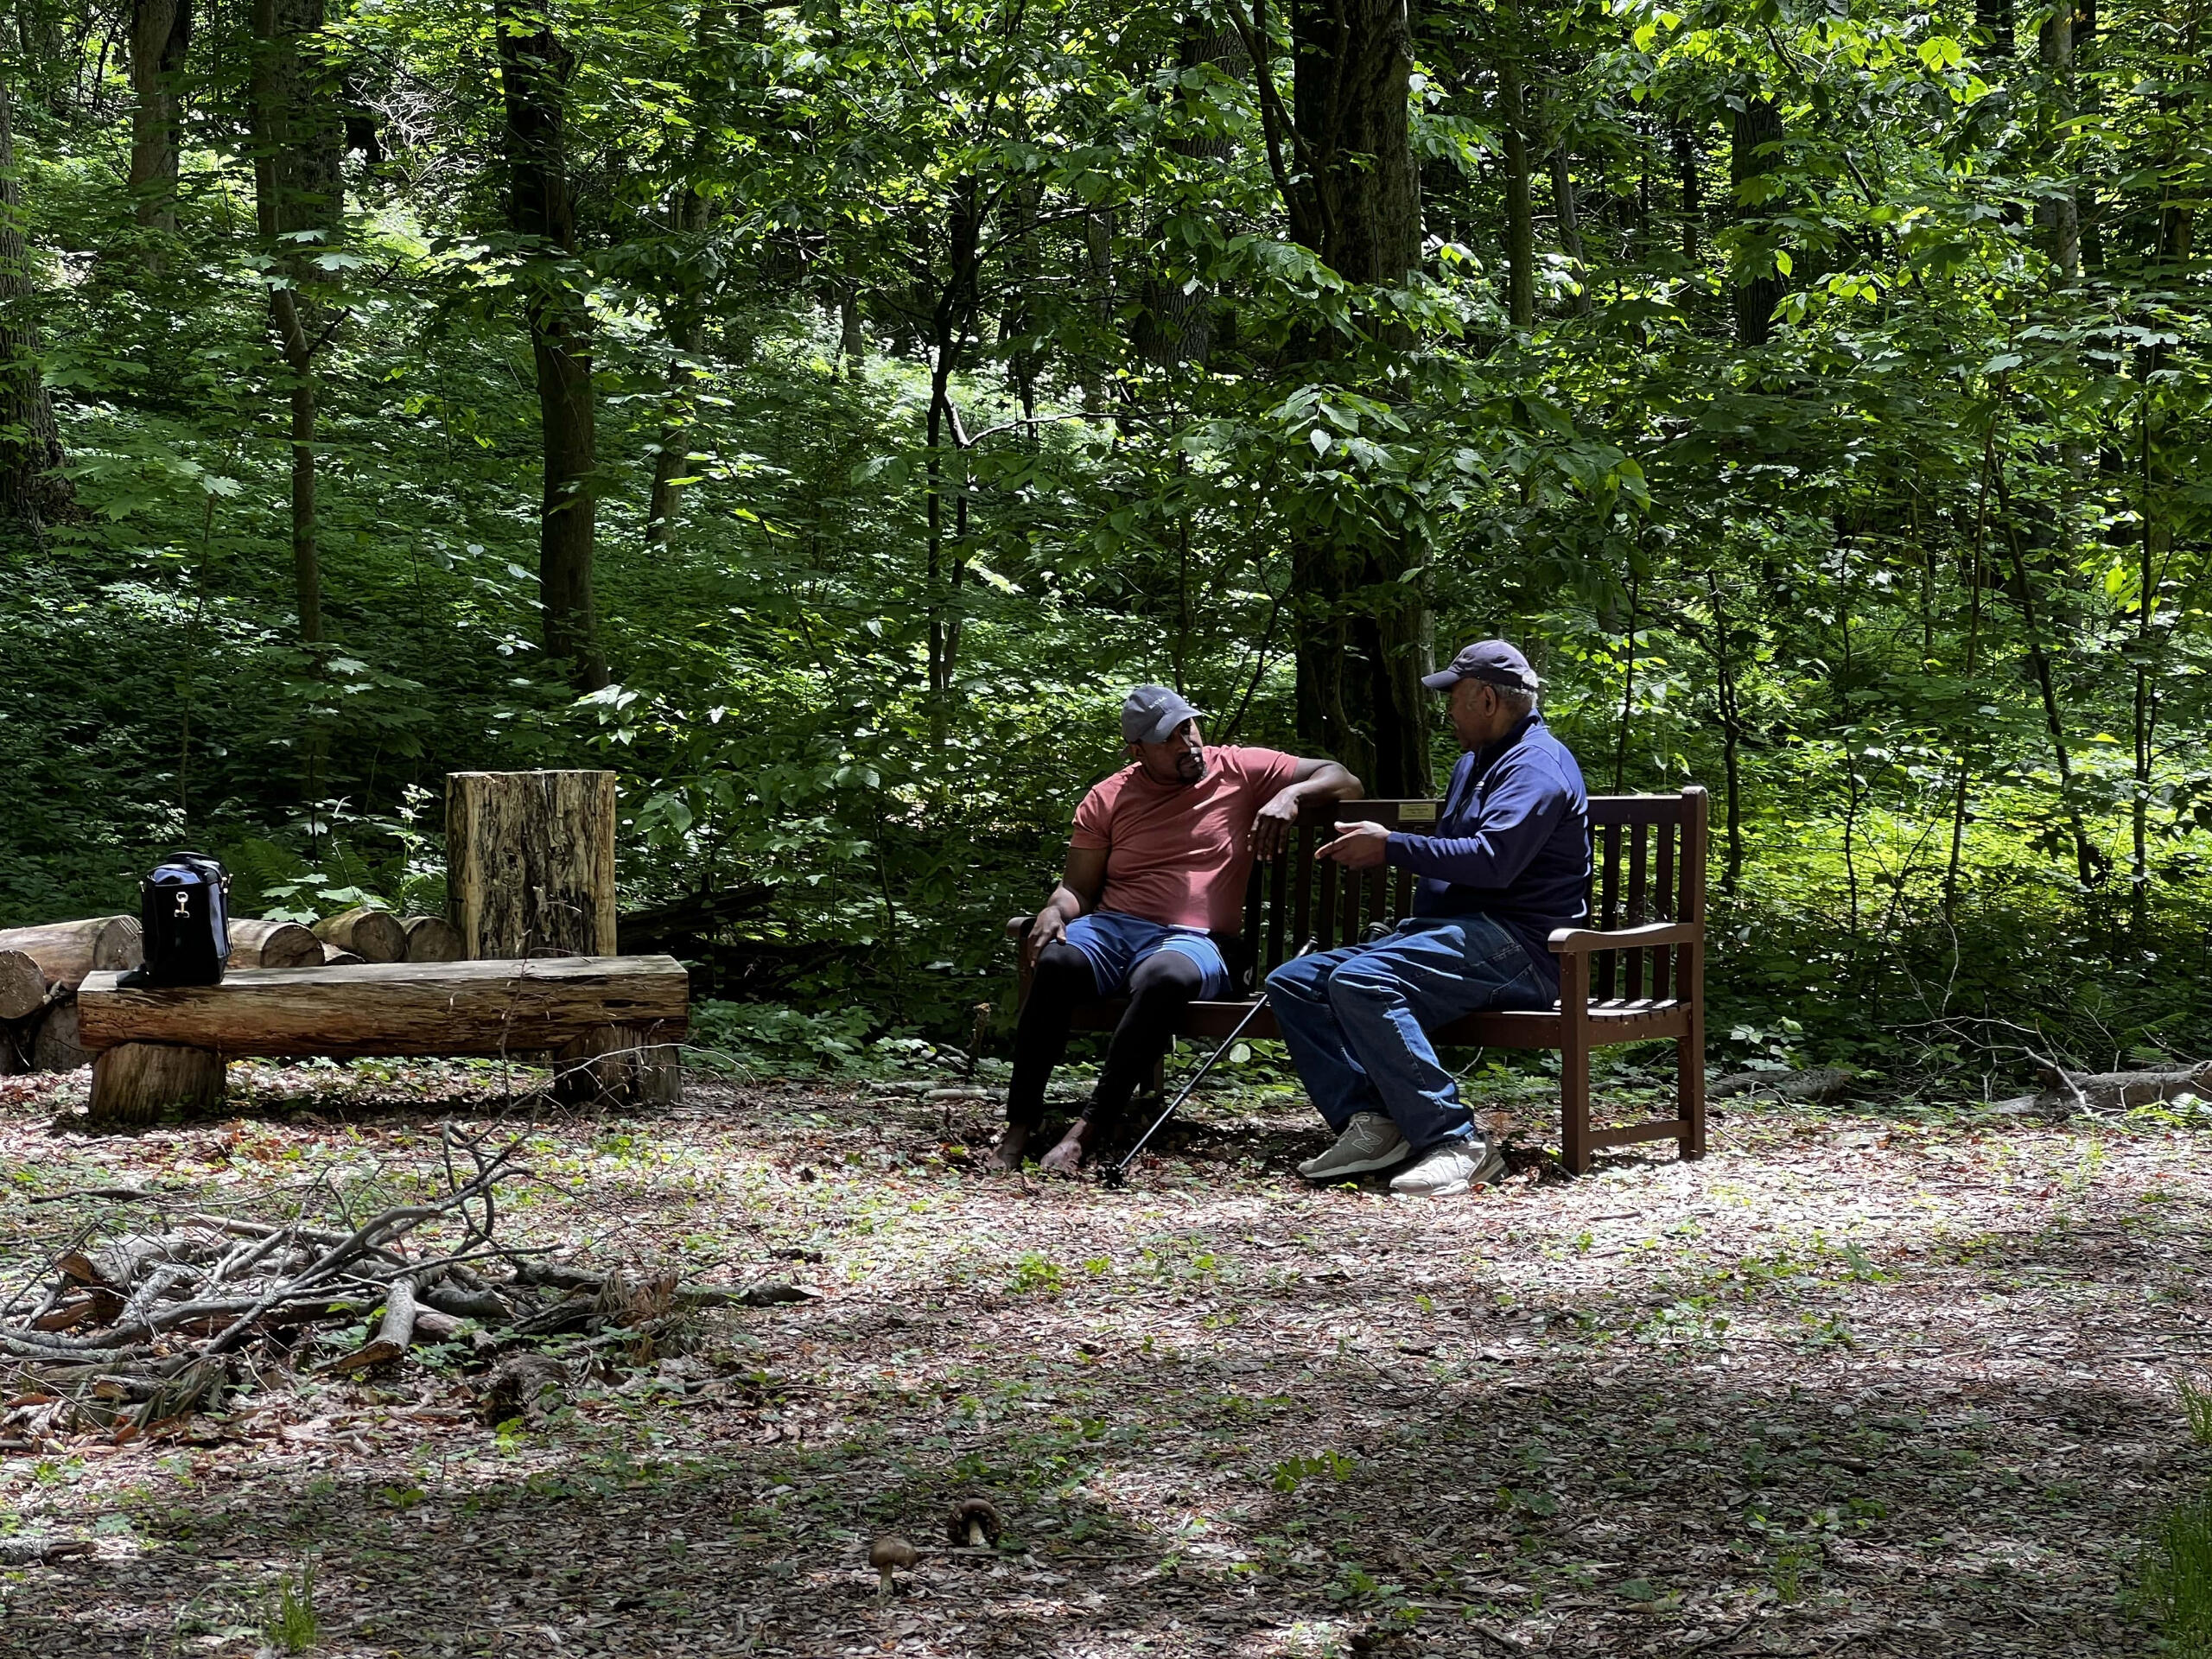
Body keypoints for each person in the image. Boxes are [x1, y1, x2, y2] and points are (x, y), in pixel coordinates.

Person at [1266, 640, 1591, 1198]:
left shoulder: (1535, 766)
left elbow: (1494, 861)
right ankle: (1374, 1123)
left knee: (1364, 979)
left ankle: (1457, 1141)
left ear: (1487, 699)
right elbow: (1455, 851)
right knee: (1294, 982)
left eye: (1455, 699)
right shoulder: (1475, 762)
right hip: (1462, 935)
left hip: (1524, 946)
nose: (1447, 712)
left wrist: (1391, 845)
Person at [994, 684, 1362, 1175]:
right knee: (1057, 962)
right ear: (1138, 751)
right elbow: (1076, 889)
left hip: (1197, 939)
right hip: (1113, 928)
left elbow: (1345, 780)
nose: (1187, 743)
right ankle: (1020, 1125)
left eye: (1188, 727)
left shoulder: (1239, 768)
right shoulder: (1109, 797)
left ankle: (1089, 1129)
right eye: (1168, 738)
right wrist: (1054, 910)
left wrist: (1291, 794)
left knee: (1164, 976)